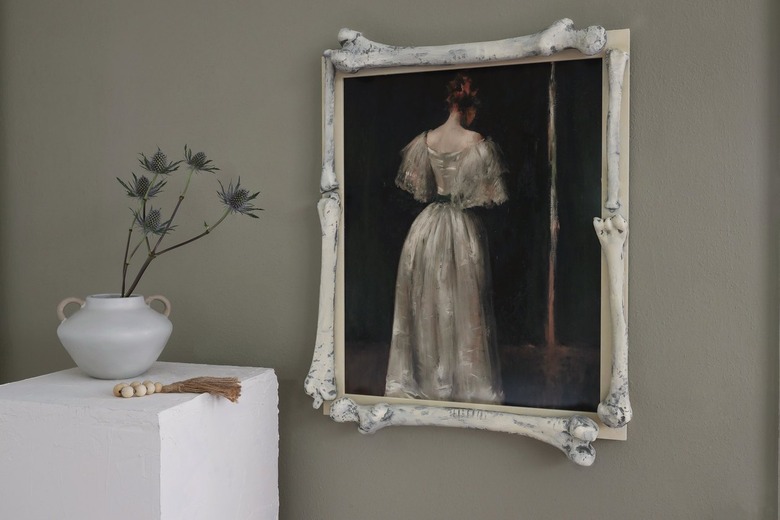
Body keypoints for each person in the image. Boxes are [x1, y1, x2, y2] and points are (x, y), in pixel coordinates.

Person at [384, 73, 508, 404]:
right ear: (470, 109)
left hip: (426, 230)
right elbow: (486, 195)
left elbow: (421, 190)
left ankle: (434, 380)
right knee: (460, 302)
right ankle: (459, 383)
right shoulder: (475, 141)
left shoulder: (427, 139)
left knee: (429, 301)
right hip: (460, 227)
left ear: (449, 104)